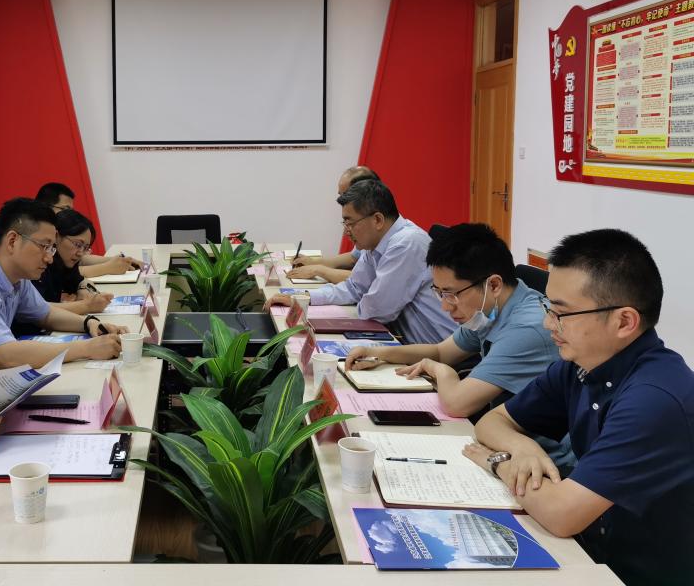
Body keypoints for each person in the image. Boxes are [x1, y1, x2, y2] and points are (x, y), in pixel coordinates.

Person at [463, 229, 694, 586]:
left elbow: (561, 514)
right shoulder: (581, 363)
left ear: (624, 321)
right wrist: (522, 447)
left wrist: (498, 462)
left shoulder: (654, 399)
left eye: (561, 313)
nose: (547, 324)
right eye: (548, 308)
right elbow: (492, 422)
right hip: (584, 551)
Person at [342, 224, 572, 467]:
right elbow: (441, 351)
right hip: (503, 444)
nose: (445, 306)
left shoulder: (527, 328)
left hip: (542, 462)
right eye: (439, 293)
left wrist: (441, 371)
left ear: (493, 285)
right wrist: (377, 353)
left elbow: (457, 403)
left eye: (452, 294)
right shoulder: (490, 308)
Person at [0, 198, 126, 405]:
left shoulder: (16, 277)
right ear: (12, 241)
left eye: (52, 248)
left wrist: (90, 323)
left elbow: (46, 314)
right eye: (44, 246)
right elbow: (6, 356)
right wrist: (87, 348)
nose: (49, 258)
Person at [265, 180, 456, 344]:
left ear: (377, 220)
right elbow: (354, 288)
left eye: (350, 223)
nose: (346, 232)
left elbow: (376, 309)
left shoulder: (406, 244)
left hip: (441, 352)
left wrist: (361, 301)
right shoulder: (376, 243)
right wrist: (303, 298)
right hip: (407, 344)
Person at [288, 165, 379, 284]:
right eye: (340, 195)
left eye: (345, 195)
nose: (341, 201)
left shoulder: (387, 235)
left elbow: (366, 280)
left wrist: (318, 270)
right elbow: (353, 258)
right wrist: (313, 262)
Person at [34, 181, 141, 278]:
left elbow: (79, 259)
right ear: (45, 207)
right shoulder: (37, 238)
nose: (70, 214)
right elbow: (61, 275)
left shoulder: (60, 236)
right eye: (65, 209)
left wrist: (120, 261)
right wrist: (108, 267)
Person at [33, 209, 113, 315]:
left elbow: (81, 280)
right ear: (56, 236)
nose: (81, 253)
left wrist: (83, 289)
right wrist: (87, 306)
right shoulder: (40, 264)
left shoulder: (64, 263)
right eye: (78, 245)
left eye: (85, 248)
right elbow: (36, 308)